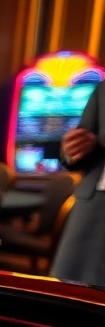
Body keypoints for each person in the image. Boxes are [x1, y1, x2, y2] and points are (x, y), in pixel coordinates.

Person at [51, 83, 105, 286]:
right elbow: (80, 144)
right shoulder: (102, 90)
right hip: (96, 204)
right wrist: (71, 149)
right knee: (71, 288)